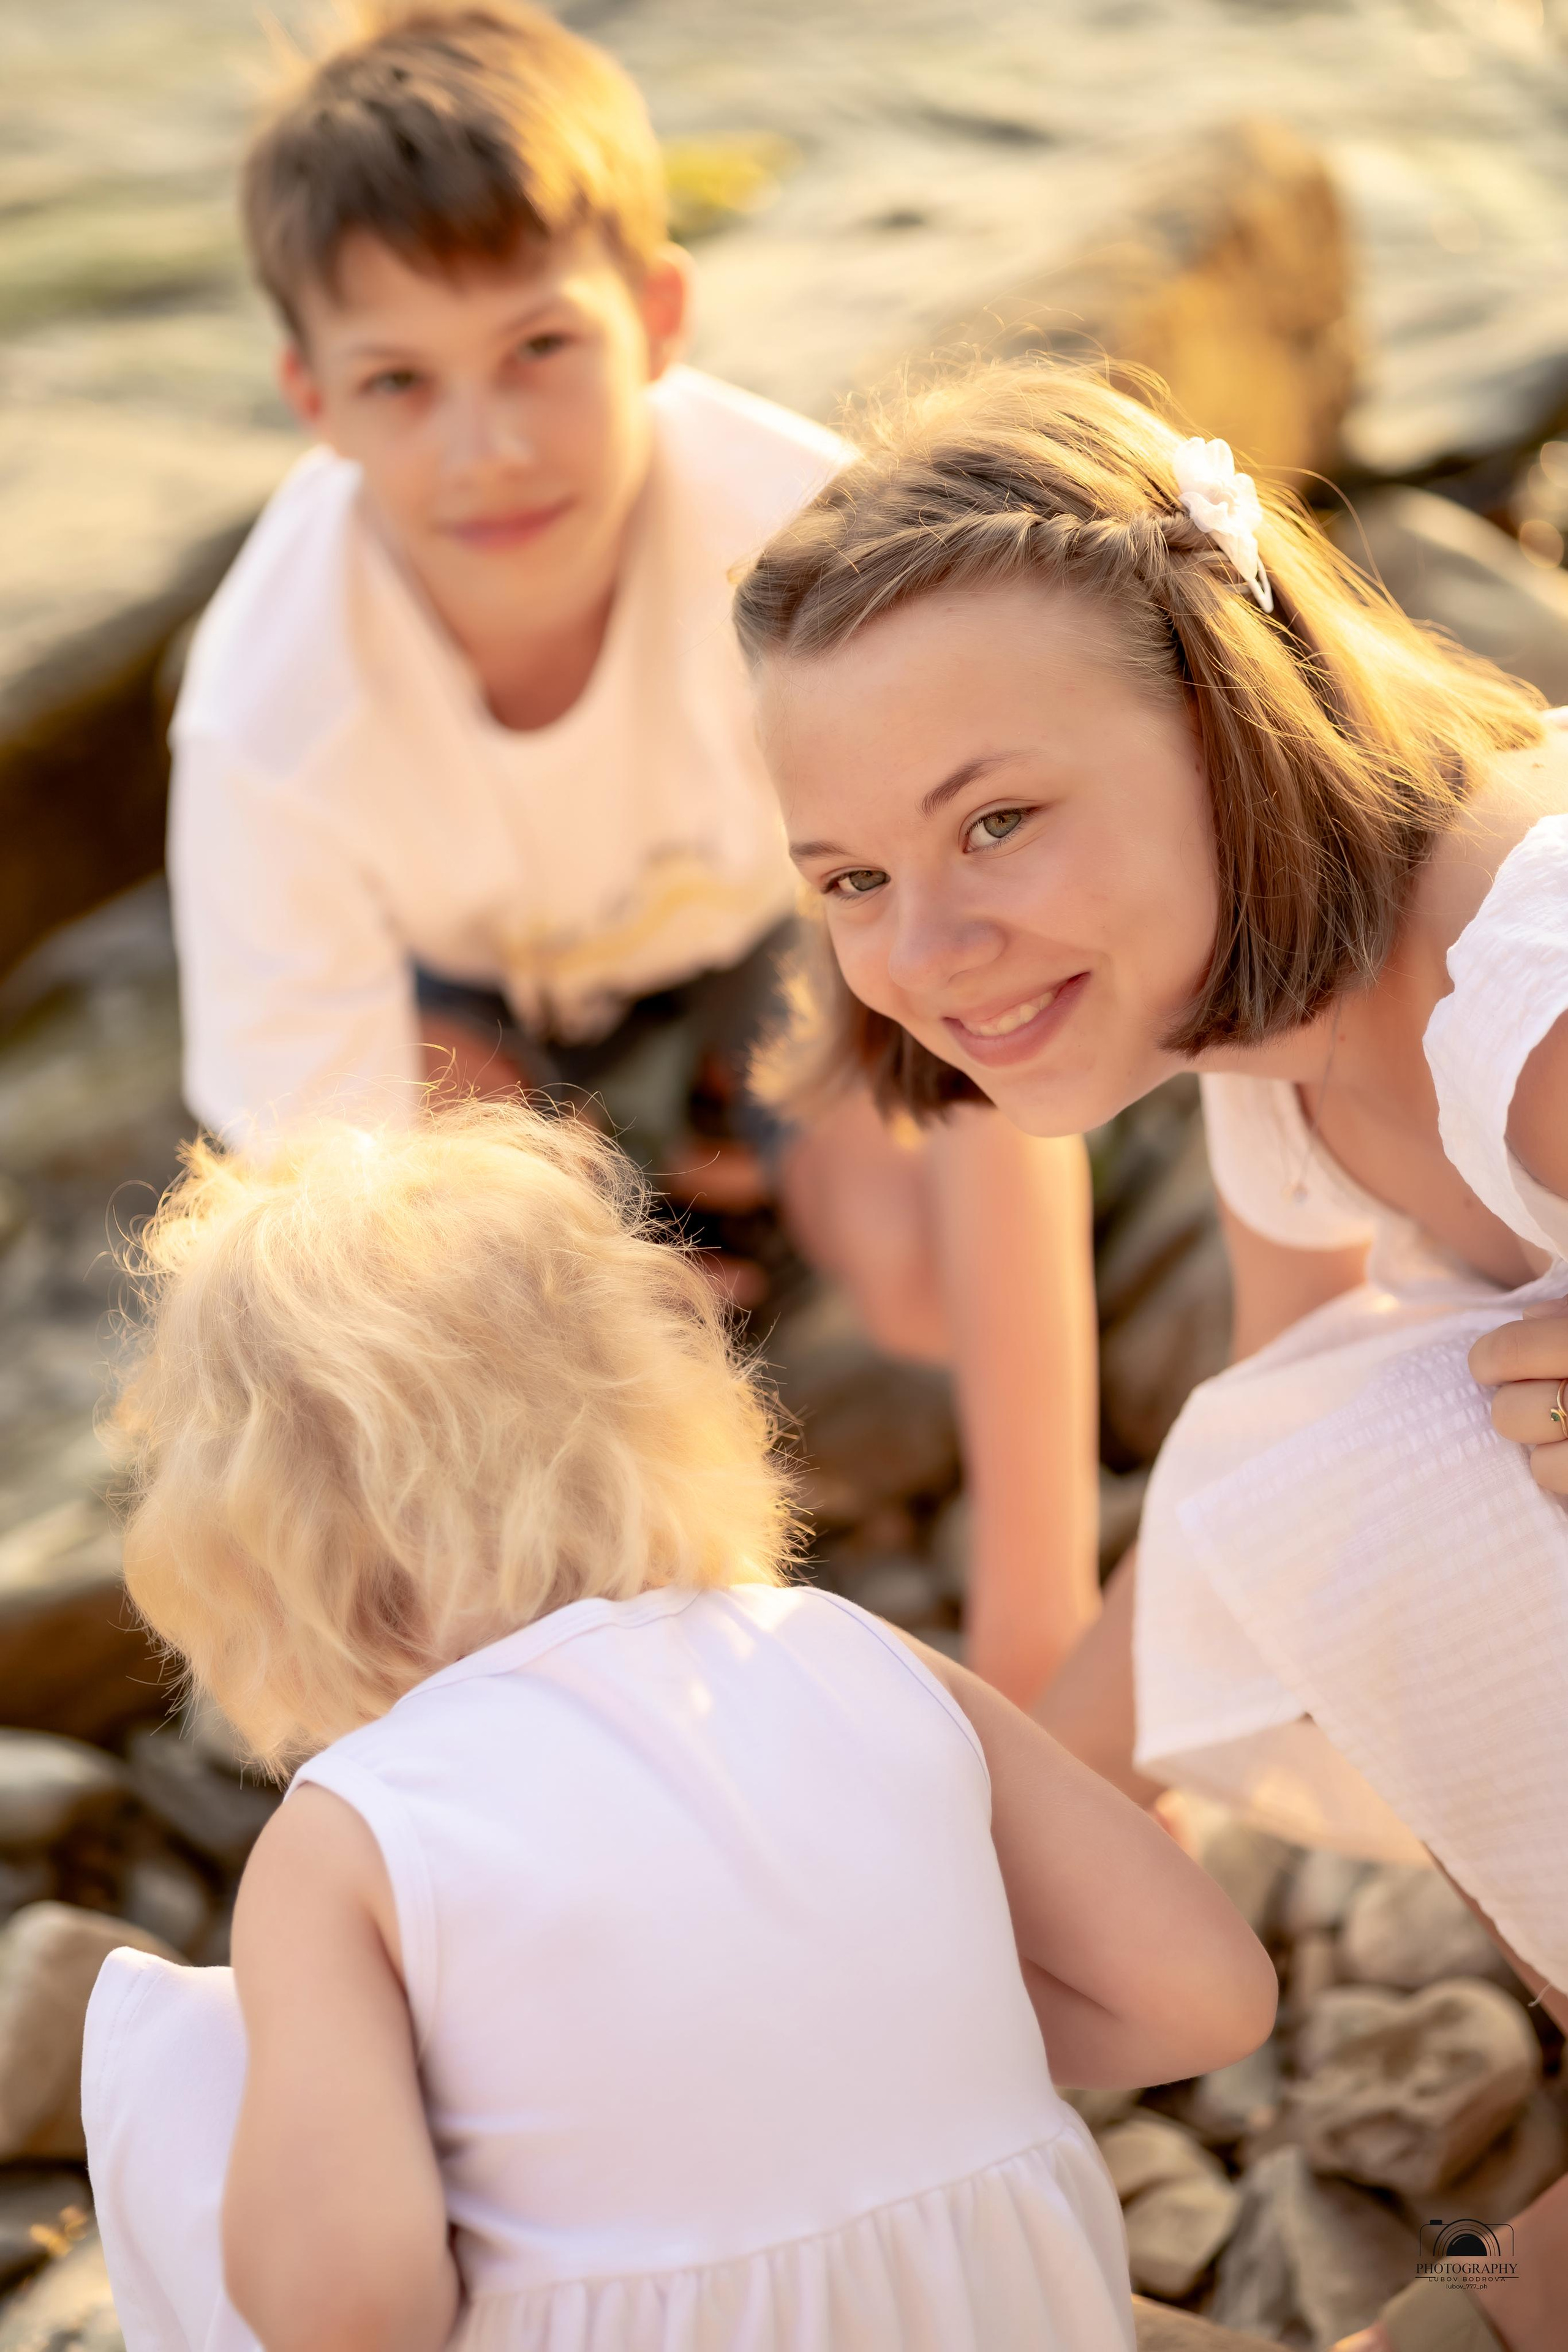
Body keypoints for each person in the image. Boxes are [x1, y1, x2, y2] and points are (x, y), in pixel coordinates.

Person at [733, 363, 1568, 2352]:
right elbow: (1243, 1498)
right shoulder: (1273, 1045)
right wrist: (966, 1884)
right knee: (1328, 1449)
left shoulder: (1518, 1006)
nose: (923, 956)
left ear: (1219, 722)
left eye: (998, 822)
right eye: (851, 881)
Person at [165, 0, 1098, 1706]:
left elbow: (982, 1040)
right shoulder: (267, 718)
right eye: (401, 382)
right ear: (313, 401)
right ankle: (665, 1238)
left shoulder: (806, 553)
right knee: (494, 1343)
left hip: (777, 937)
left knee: (913, 1283)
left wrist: (1046, 1625)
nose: (490, 445)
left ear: (657, 316)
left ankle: (755, 1189)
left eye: (541, 348)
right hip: (468, 1002)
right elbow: (322, 1243)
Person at [82, 1104, 1276, 2352]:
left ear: (240, 1549)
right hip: (1009, 2321)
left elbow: (351, 2313)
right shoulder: (844, 1648)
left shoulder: (354, 1835)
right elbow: (1205, 1998)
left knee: (188, 2064)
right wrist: (841, 2041)